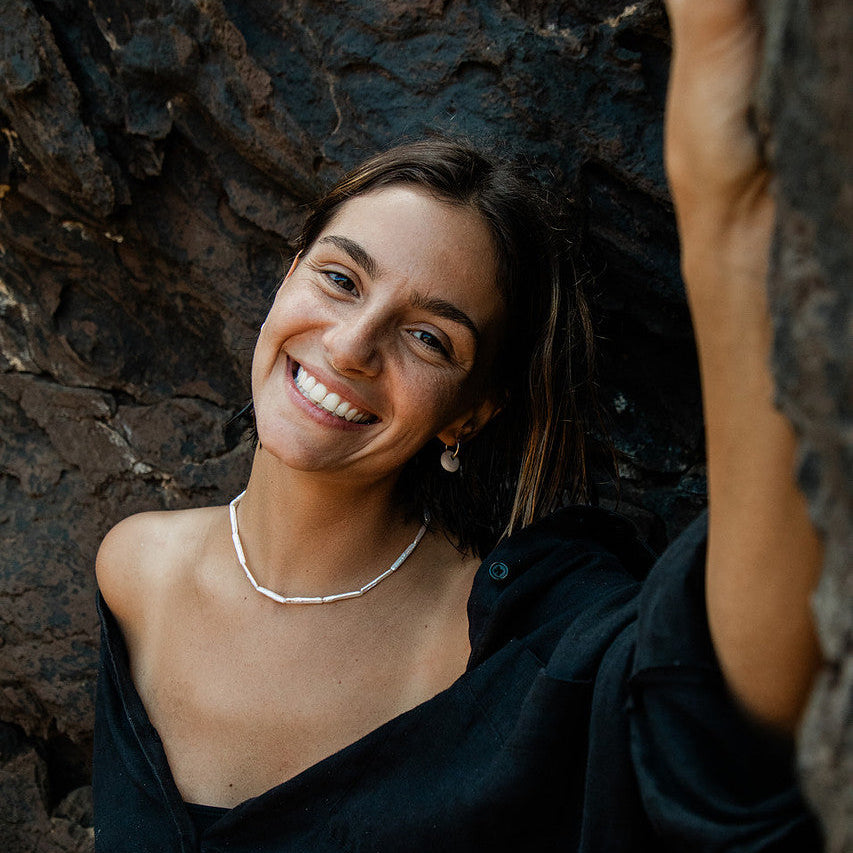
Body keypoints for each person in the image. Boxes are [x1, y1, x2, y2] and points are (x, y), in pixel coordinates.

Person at [92, 1, 825, 850]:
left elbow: (728, 701)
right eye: (339, 279)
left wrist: (724, 196)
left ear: (471, 413)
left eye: (429, 338)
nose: (352, 344)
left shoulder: (524, 645)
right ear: (288, 275)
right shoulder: (135, 572)